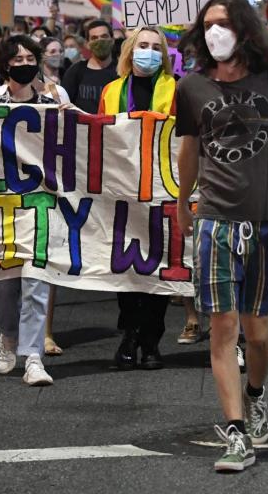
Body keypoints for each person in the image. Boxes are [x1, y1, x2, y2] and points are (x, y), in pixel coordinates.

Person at [175, 0, 268, 473]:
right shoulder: (191, 87)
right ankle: (236, 432)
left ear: (244, 30)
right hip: (215, 219)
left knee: (258, 333)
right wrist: (181, 199)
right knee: (223, 329)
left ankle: (255, 394)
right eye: (208, 24)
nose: (215, 32)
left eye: (224, 24)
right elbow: (191, 148)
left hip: (266, 222)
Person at [0, 35, 65, 386]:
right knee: (5, 285)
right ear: (6, 65)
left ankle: (32, 357)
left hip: (41, 204)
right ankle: (7, 335)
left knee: (36, 280)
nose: (24, 63)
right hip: (3, 206)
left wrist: (70, 118)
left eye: (31, 57)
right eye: (17, 58)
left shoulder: (51, 102)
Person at [99, 27, 177, 370]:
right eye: (143, 45)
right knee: (127, 262)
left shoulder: (177, 89)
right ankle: (130, 333)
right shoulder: (111, 90)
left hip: (163, 187)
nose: (149, 52)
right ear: (130, 51)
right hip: (122, 187)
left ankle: (151, 341)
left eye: (156, 47)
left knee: (158, 263)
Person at [61, 19, 118, 112]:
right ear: (87, 44)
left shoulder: (122, 71)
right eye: (94, 38)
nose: (100, 41)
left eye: (104, 36)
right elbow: (63, 104)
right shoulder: (75, 71)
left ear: (112, 40)